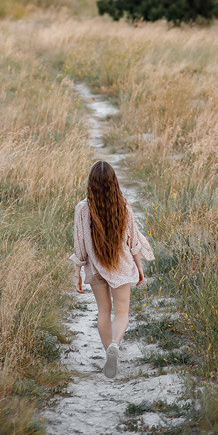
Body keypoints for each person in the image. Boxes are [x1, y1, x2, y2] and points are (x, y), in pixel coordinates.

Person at [70, 160, 154, 378]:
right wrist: (139, 265)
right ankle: (115, 345)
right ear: (114, 182)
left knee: (103, 312)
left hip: (95, 267)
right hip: (121, 266)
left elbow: (79, 244)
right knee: (122, 312)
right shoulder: (123, 205)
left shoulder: (82, 208)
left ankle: (108, 351)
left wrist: (77, 272)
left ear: (91, 183)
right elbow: (133, 240)